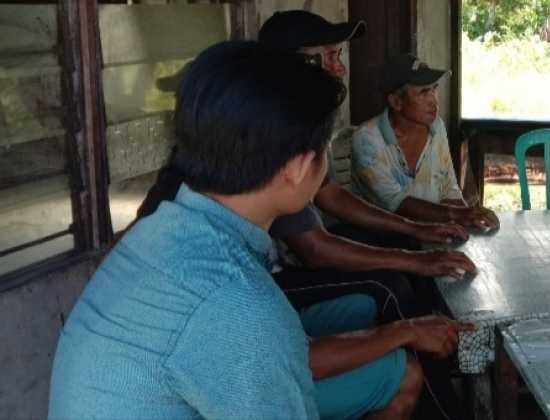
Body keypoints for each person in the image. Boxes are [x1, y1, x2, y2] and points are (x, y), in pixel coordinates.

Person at [49, 41, 474, 420]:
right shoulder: (241, 302)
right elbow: (252, 333)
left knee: (365, 308)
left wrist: (403, 328)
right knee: (393, 349)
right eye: (324, 149)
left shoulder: (157, 231)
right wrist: (405, 326)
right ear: (298, 167)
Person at [137, 10, 476, 320]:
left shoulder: (290, 127)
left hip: (270, 261)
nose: (340, 68)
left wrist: (413, 230)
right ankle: (416, 358)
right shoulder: (267, 138)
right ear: (295, 66)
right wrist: (415, 261)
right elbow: (314, 248)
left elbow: (330, 196)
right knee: (389, 284)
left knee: (400, 247)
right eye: (331, 56)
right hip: (249, 278)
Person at [351, 54, 500, 231]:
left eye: (434, 89)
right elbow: (397, 204)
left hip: (432, 233)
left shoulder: (436, 127)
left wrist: (470, 219)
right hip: (380, 239)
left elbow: (448, 188)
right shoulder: (367, 139)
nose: (434, 101)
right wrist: (459, 215)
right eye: (423, 92)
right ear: (396, 102)